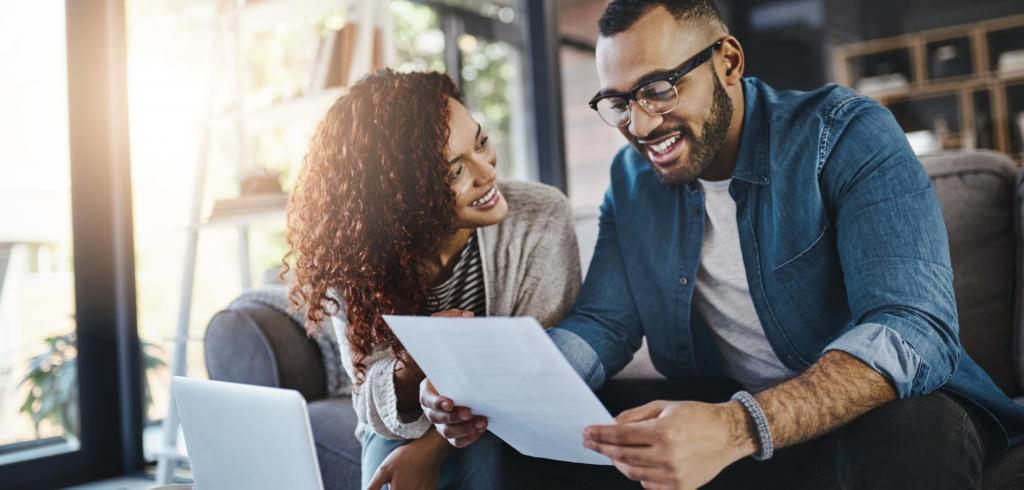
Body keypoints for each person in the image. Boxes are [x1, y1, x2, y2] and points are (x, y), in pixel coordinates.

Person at [419, 1, 1024, 489]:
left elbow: (912, 328)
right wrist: (497, 391)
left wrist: (739, 426)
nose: (641, 124)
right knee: (524, 440)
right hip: (729, 410)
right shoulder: (631, 184)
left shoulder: (844, 134)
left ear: (728, 61)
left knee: (910, 429)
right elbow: (603, 323)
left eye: (657, 88)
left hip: (876, 414)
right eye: (618, 102)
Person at [283, 69, 581, 490]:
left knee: (480, 454)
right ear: (401, 194)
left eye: (481, 143)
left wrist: (427, 452)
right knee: (386, 464)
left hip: (511, 412)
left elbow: (536, 370)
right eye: (455, 171)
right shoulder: (355, 255)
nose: (487, 173)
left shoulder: (540, 216)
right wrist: (411, 368)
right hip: (406, 421)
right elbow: (370, 402)